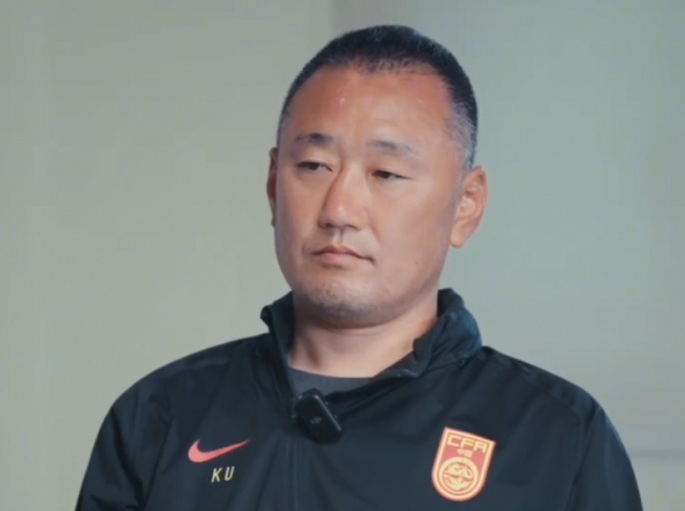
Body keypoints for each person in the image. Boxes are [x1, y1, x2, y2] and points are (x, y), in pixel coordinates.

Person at [75, 25, 643, 510]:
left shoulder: (556, 437)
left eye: (386, 174)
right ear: (273, 185)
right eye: (314, 166)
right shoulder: (162, 417)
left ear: (466, 206)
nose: (340, 209)